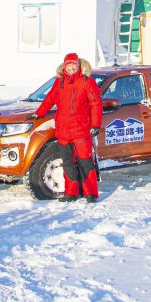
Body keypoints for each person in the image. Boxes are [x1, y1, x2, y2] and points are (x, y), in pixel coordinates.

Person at [28, 52, 102, 203]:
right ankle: (71, 193)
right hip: (63, 130)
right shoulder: (59, 82)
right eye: (68, 65)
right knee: (67, 163)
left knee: (85, 162)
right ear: (64, 66)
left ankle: (91, 193)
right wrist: (38, 113)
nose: (71, 68)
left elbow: (96, 105)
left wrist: (95, 125)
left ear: (78, 65)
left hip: (81, 130)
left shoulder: (88, 82)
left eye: (73, 65)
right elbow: (49, 99)